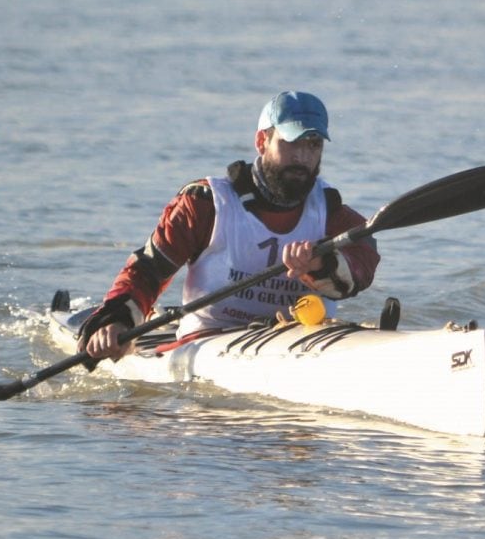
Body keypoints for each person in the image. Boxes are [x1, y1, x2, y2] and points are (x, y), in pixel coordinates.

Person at [78, 91, 380, 362]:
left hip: (304, 338)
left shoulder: (331, 212)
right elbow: (148, 271)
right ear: (262, 142)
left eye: (313, 145)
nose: (302, 157)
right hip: (209, 341)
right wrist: (116, 322)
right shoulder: (205, 204)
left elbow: (363, 263)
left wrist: (320, 263)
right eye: (290, 143)